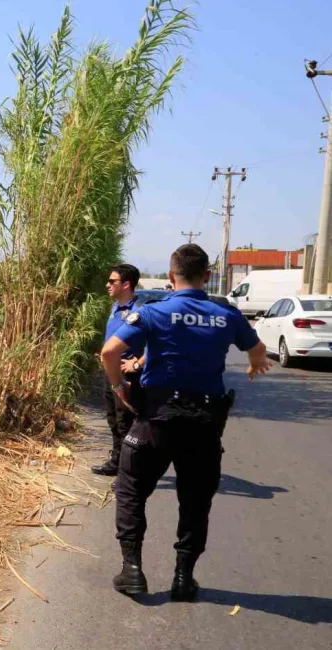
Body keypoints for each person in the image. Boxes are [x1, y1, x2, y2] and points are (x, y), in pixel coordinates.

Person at [100, 244, 273, 601]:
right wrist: (255, 365)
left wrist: (119, 387)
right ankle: (183, 577)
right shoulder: (226, 315)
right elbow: (257, 351)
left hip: (156, 420)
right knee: (195, 502)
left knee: (131, 490)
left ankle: (132, 571)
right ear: (207, 277)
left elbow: (110, 352)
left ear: (170, 275)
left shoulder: (154, 312)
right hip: (204, 425)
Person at [92, 264, 146, 477]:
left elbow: (157, 343)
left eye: (112, 281)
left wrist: (137, 363)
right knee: (113, 419)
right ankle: (117, 462)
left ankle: (129, 473)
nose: (107, 285)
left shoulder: (139, 311)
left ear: (126, 284)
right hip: (110, 372)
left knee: (126, 425)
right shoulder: (115, 308)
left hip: (127, 375)